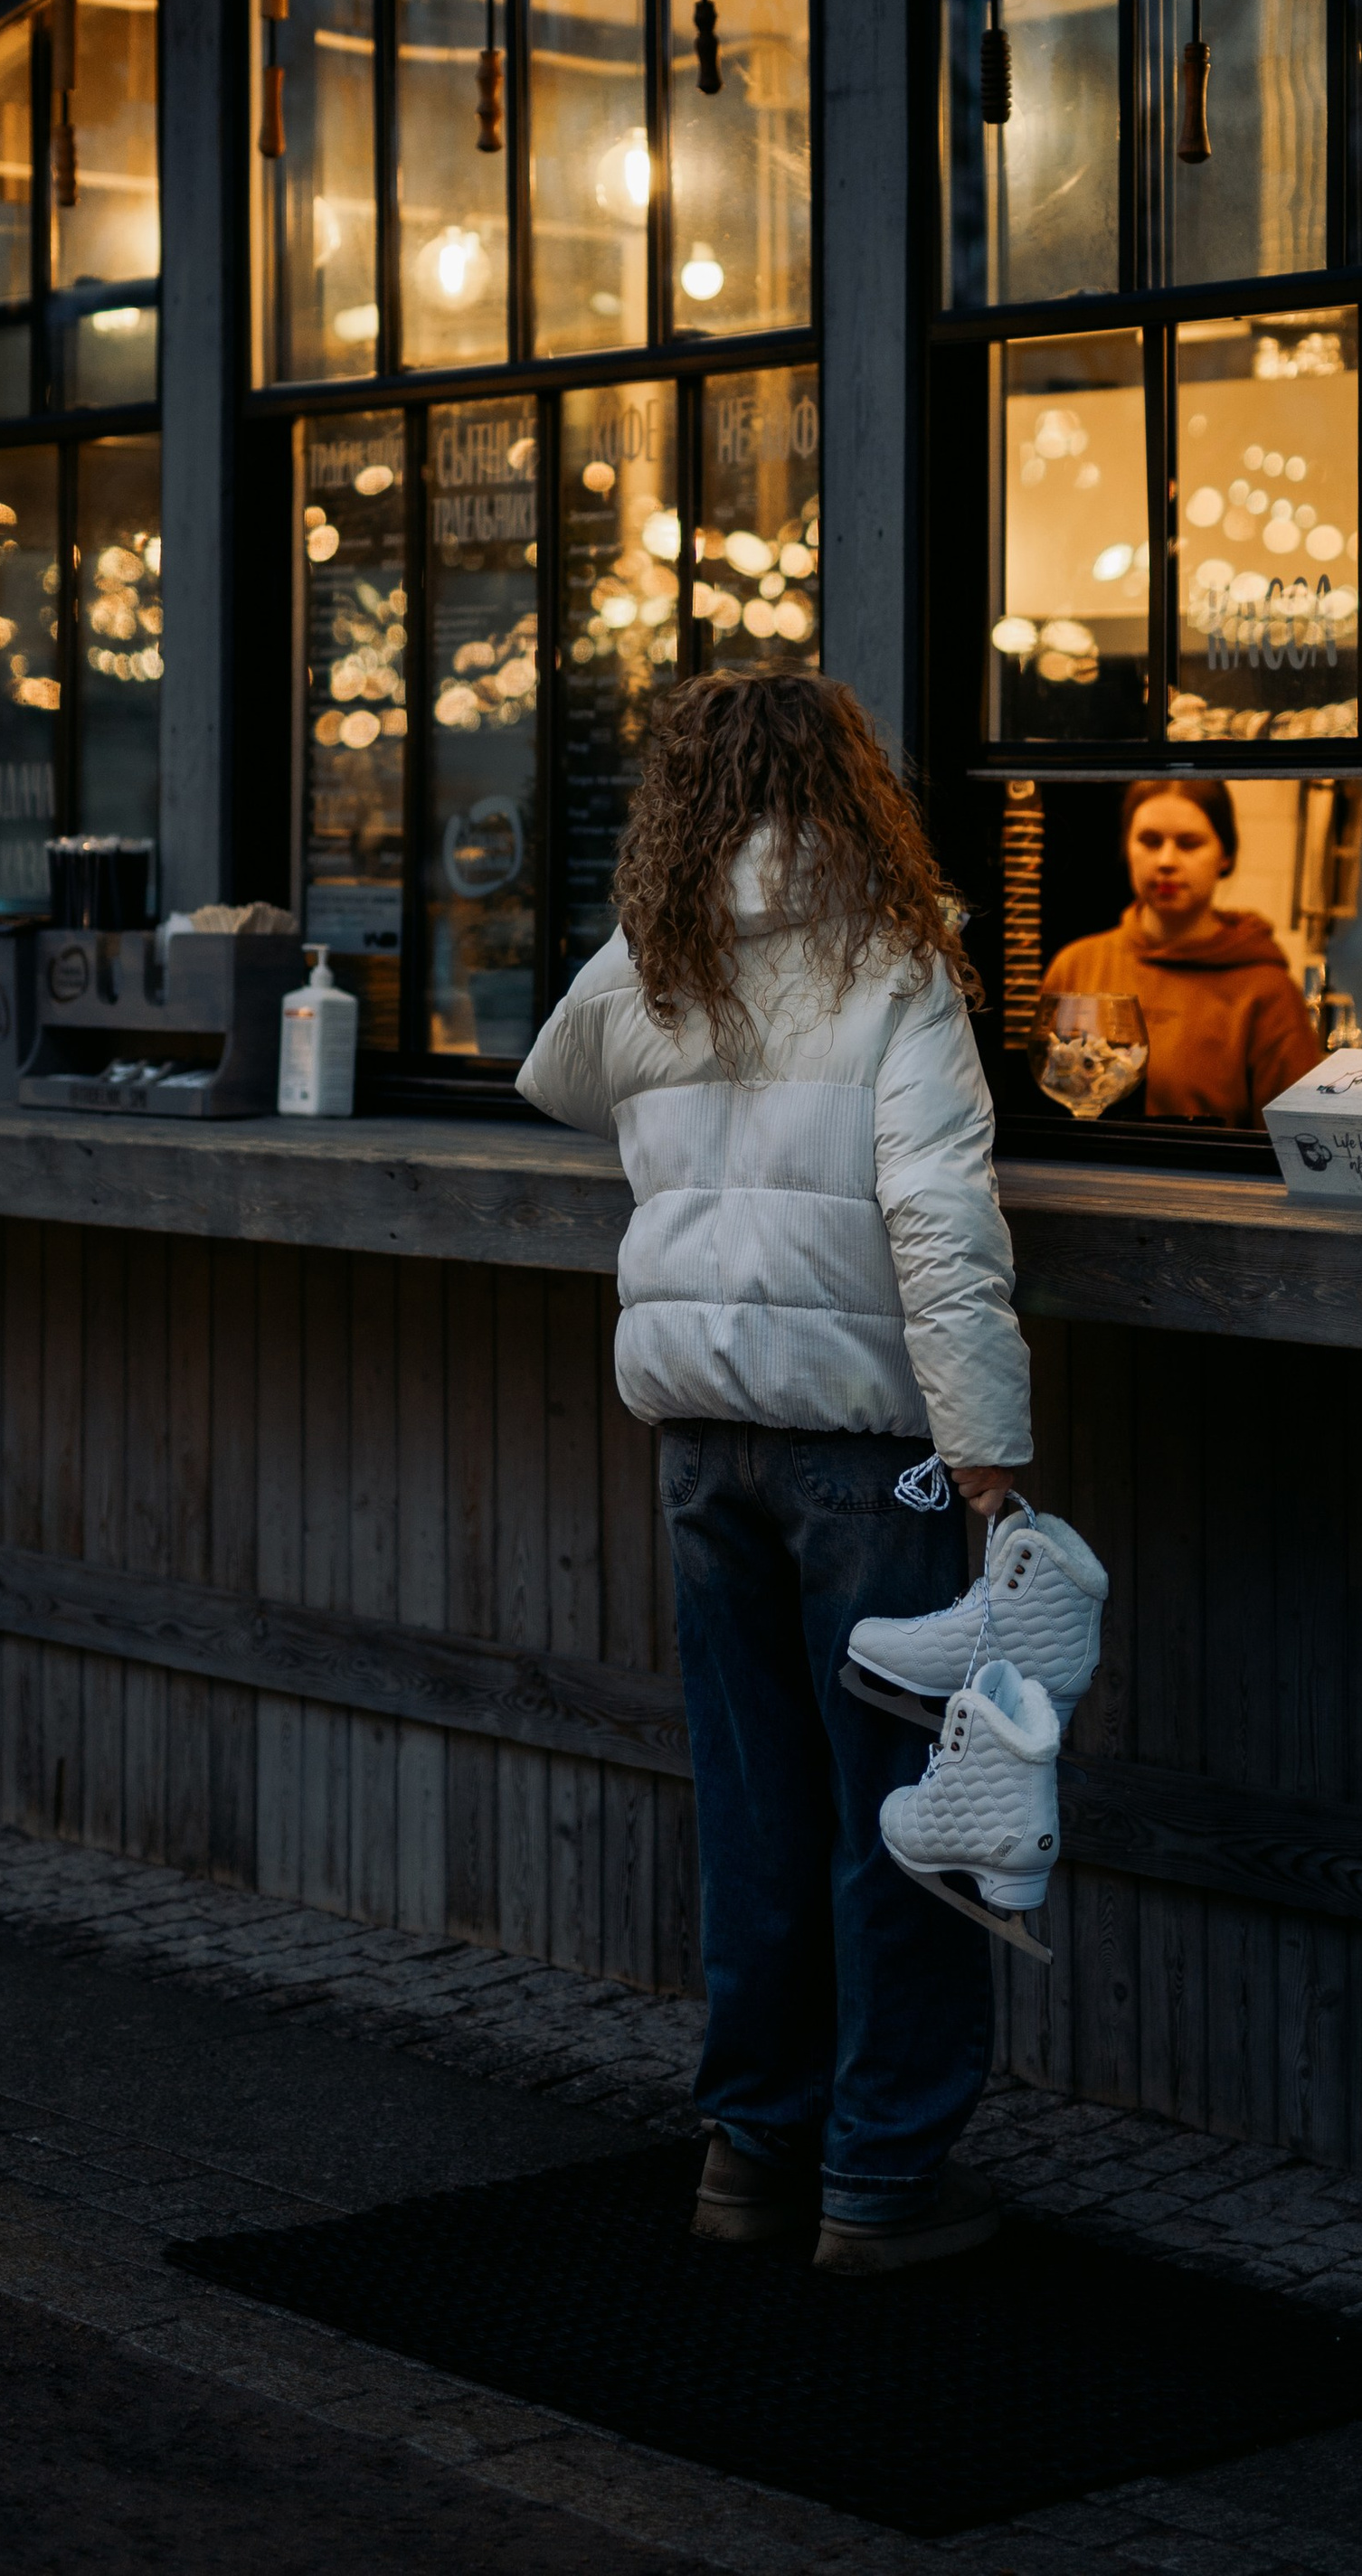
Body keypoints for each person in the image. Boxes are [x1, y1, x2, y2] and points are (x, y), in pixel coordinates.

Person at [517, 668, 1032, 2278]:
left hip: (702, 1448)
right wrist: (992, 1456)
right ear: (851, 786)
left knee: (754, 1810)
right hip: (865, 1459)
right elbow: (942, 1227)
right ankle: (880, 2183)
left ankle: (753, 2155)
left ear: (685, 799)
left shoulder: (655, 958)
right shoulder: (896, 954)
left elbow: (552, 1077)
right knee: (904, 1821)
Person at [1040, 777, 1319, 1127]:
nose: (1166, 861)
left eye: (1189, 844)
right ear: (1127, 847)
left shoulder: (1266, 991)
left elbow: (1298, 1141)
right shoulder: (1078, 965)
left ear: (1225, 855)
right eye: (1150, 841)